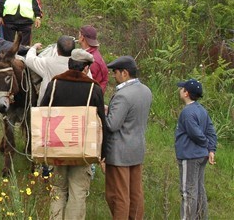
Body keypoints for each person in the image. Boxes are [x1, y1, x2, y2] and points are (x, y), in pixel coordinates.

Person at [41, 48, 108, 220]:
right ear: (86, 68)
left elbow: (42, 113)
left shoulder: (55, 84)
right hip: (82, 149)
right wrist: (103, 153)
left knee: (58, 189)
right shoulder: (94, 88)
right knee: (78, 192)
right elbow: (102, 121)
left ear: (69, 64)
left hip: (58, 148)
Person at [102, 56, 153, 220]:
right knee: (136, 193)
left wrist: (104, 114)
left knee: (118, 195)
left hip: (119, 152)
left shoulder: (122, 95)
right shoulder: (146, 90)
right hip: (137, 149)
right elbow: (132, 115)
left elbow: (112, 125)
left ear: (124, 73)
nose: (113, 76)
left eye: (115, 72)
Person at [175, 78, 217, 220]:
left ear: (186, 93)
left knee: (188, 192)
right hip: (201, 156)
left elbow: (196, 134)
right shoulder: (201, 110)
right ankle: (201, 217)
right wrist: (211, 149)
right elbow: (211, 130)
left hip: (190, 156)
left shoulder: (187, 113)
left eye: (182, 89)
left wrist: (206, 144)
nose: (180, 90)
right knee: (199, 190)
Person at [25, 35, 74, 105]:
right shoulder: (79, 65)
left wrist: (34, 47)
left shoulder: (47, 63)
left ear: (57, 50)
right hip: (71, 106)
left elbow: (29, 60)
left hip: (48, 105)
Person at [77, 25, 108, 93]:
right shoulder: (92, 54)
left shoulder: (92, 60)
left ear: (82, 37)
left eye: (79, 35)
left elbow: (88, 83)